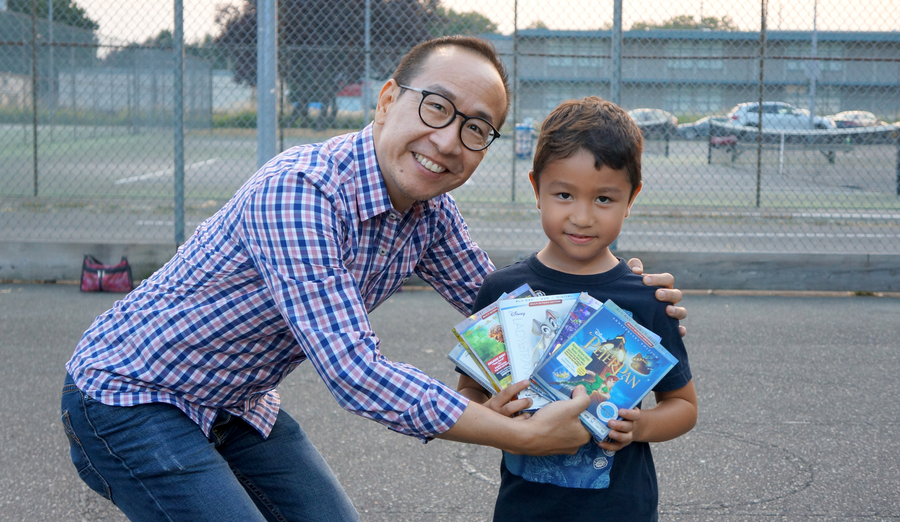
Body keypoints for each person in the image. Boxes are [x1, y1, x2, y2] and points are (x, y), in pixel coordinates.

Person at [61, 36, 686, 522]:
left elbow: (516, 309)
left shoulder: (430, 212)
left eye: (475, 128)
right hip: (131, 398)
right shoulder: (300, 191)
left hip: (239, 403)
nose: (447, 141)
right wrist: (517, 433)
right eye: (436, 107)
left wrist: (618, 296)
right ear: (388, 100)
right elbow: (356, 374)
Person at [457, 96, 697, 522]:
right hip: (524, 509)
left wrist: (641, 427)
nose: (582, 217)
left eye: (604, 199)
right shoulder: (503, 290)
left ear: (631, 198)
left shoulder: (646, 298)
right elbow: (468, 395)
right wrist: (492, 416)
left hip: (621, 509)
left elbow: (683, 406)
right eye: (564, 194)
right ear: (536, 189)